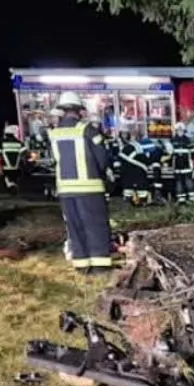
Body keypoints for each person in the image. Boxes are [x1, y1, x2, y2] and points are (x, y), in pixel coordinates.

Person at [49, 92, 112, 275]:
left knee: (75, 227)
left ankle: (82, 265)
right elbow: (102, 158)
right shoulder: (87, 130)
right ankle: (99, 266)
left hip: (65, 190)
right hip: (90, 188)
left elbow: (55, 160)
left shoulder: (54, 134)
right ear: (79, 111)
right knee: (95, 225)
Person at [115, 130, 152, 207]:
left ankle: (133, 199)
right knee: (138, 184)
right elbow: (145, 159)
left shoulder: (130, 146)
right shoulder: (140, 146)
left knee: (131, 184)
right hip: (136, 170)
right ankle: (141, 199)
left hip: (129, 170)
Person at [171, 125, 194, 203]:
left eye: (181, 130)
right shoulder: (172, 140)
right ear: (176, 131)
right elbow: (170, 153)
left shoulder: (188, 140)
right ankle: (181, 198)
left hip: (187, 164)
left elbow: (193, 152)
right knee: (178, 181)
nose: (180, 132)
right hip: (177, 165)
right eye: (178, 130)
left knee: (188, 180)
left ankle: (192, 197)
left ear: (184, 131)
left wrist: (191, 160)